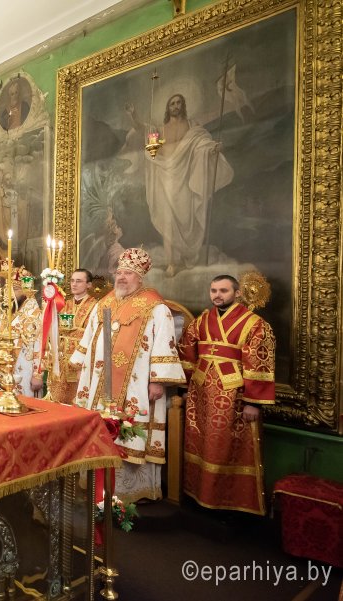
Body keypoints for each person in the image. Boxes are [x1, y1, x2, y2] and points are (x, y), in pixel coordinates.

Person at [70, 248, 186, 502]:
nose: (122, 277)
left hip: (137, 385)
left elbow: (164, 343)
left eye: (128, 273)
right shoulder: (105, 302)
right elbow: (89, 336)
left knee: (130, 430)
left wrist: (158, 380)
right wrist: (81, 366)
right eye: (119, 272)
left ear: (140, 277)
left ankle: (129, 491)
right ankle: (96, 486)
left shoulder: (156, 307)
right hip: (98, 380)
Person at [178, 275, 275, 515]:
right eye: (213, 290)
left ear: (237, 293)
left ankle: (229, 504)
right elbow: (187, 353)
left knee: (226, 447)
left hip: (234, 396)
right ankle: (199, 496)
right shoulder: (201, 321)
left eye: (223, 290)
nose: (217, 295)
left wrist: (254, 402)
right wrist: (185, 388)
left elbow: (259, 363)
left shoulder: (255, 324)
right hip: (200, 394)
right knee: (201, 443)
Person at [126, 94, 233, 277]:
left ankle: (187, 255)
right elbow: (141, 128)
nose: (175, 106)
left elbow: (202, 144)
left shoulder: (192, 126)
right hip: (164, 179)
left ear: (183, 105)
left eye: (178, 103)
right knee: (168, 223)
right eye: (172, 103)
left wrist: (211, 148)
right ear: (168, 108)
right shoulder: (160, 130)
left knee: (187, 221)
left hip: (185, 180)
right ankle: (171, 263)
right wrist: (133, 115)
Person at [0, 267, 42, 397]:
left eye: (16, 289)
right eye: (9, 289)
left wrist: (38, 374)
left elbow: (41, 346)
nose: (11, 293)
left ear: (27, 291)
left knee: (22, 404)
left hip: (24, 370)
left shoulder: (34, 315)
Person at [47, 269, 97, 404]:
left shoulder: (95, 306)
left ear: (89, 285)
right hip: (61, 359)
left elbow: (93, 335)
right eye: (72, 281)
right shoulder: (65, 304)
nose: (74, 284)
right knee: (58, 400)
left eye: (79, 281)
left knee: (77, 400)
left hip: (81, 360)